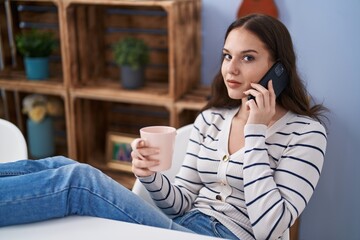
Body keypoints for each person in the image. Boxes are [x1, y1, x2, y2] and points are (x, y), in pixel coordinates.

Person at [0, 14, 327, 240]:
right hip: (177, 226)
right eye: (227, 56)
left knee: (79, 182)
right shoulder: (212, 119)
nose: (231, 68)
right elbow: (182, 202)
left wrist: (256, 132)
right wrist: (149, 177)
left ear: (278, 70)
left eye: (247, 58)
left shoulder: (306, 134)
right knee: (64, 164)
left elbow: (272, 228)